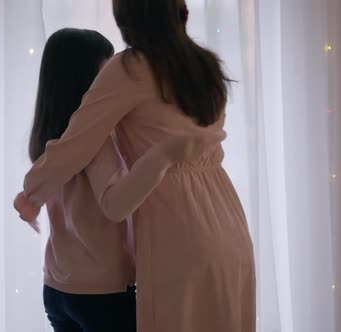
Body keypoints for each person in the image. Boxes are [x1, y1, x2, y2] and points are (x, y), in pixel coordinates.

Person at [15, 0, 256, 330]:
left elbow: (74, 148)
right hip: (227, 222)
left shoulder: (129, 68)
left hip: (175, 227)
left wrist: (30, 194)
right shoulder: (206, 67)